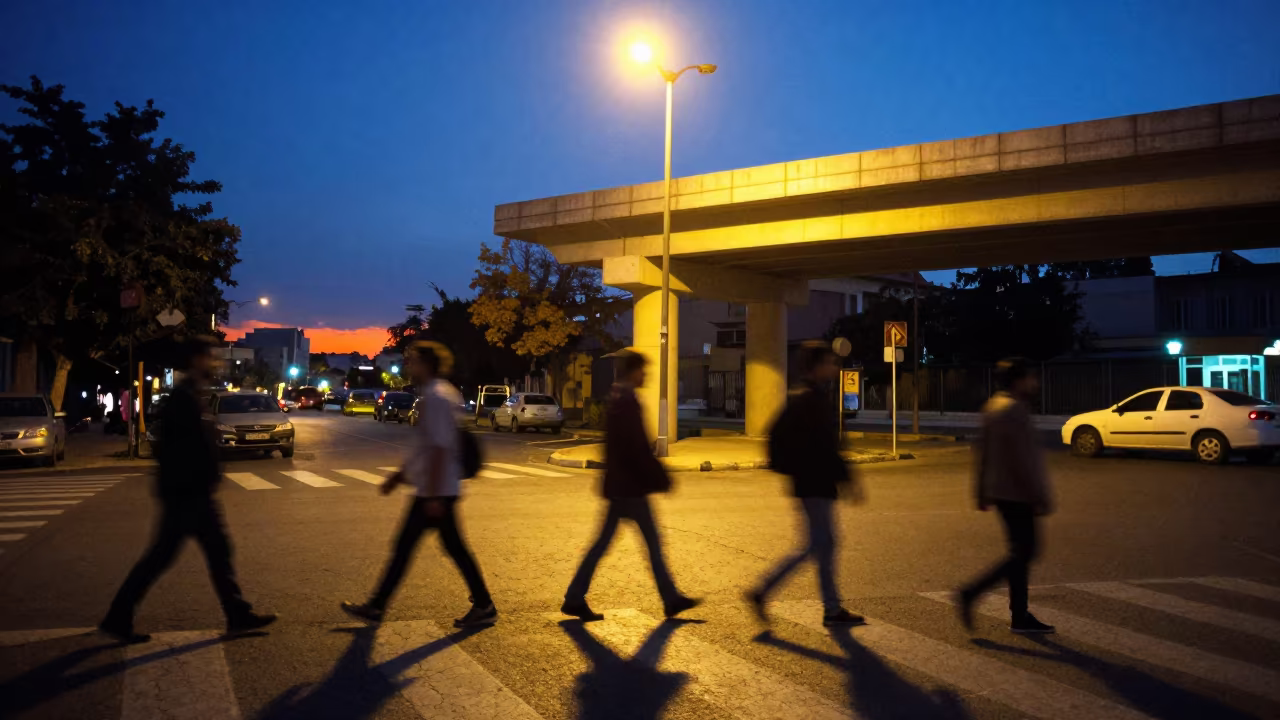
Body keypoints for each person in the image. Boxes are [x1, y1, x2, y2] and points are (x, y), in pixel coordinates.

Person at [100, 336, 276, 644]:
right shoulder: (183, 397)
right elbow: (173, 446)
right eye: (210, 357)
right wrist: (192, 479)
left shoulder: (194, 394)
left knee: (215, 552)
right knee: (164, 557)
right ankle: (118, 617)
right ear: (197, 360)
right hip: (186, 493)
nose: (215, 362)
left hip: (192, 491)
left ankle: (237, 614)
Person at [342, 341, 496, 627]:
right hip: (437, 487)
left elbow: (438, 448)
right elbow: (427, 447)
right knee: (448, 548)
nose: (409, 365)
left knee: (409, 548)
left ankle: (377, 606)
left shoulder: (436, 397)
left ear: (426, 364)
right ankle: (484, 604)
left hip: (436, 490)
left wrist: (434, 496)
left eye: (412, 360)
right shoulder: (442, 392)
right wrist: (400, 476)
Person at [561, 349, 700, 622]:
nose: (645, 375)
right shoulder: (626, 401)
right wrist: (660, 477)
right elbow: (636, 448)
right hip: (629, 489)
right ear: (633, 371)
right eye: (643, 370)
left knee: (607, 544)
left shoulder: (617, 397)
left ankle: (575, 598)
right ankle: (669, 599)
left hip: (621, 486)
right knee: (649, 544)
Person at [748, 341, 866, 627]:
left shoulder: (809, 395)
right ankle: (768, 591)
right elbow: (825, 446)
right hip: (815, 483)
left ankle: (829, 607)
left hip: (811, 482)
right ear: (817, 366)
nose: (835, 367)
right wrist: (848, 479)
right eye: (830, 362)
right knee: (818, 546)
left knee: (822, 545)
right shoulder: (809, 398)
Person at [956, 357, 1055, 634]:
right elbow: (1025, 461)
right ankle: (972, 593)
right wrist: (1040, 495)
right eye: (1030, 377)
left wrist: (980, 492)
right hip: (1018, 493)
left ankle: (1019, 615)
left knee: (1020, 553)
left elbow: (981, 453)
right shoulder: (1015, 410)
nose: (1035, 382)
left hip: (1000, 492)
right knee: (1024, 552)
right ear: (1019, 380)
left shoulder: (992, 407)